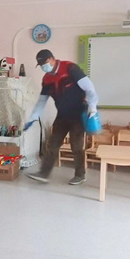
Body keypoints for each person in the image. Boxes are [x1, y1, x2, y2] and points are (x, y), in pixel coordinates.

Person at [24, 49, 99, 185]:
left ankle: (80, 175)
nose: (43, 67)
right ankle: (43, 174)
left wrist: (92, 109)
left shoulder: (70, 68)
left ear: (51, 59)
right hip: (62, 115)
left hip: (78, 113)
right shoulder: (47, 79)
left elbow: (89, 88)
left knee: (76, 146)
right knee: (52, 144)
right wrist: (33, 117)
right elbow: (42, 100)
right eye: (40, 65)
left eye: (44, 63)